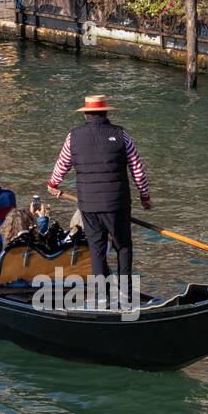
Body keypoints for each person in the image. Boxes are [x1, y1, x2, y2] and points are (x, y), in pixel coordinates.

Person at [47, 95, 152, 306]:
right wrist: (145, 197)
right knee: (123, 247)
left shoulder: (73, 137)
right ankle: (125, 295)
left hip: (89, 205)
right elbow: (137, 170)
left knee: (96, 249)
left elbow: (61, 166)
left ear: (86, 114)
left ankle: (101, 297)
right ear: (106, 113)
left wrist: (53, 184)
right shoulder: (121, 135)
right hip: (117, 204)